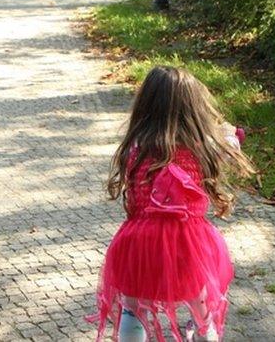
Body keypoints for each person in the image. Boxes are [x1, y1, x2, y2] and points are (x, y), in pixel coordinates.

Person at [90, 66, 254, 342]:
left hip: (140, 242)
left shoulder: (136, 147)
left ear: (146, 105)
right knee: (201, 310)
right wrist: (231, 135)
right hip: (190, 244)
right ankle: (205, 335)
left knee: (132, 309)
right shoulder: (203, 149)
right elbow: (232, 143)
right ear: (193, 109)